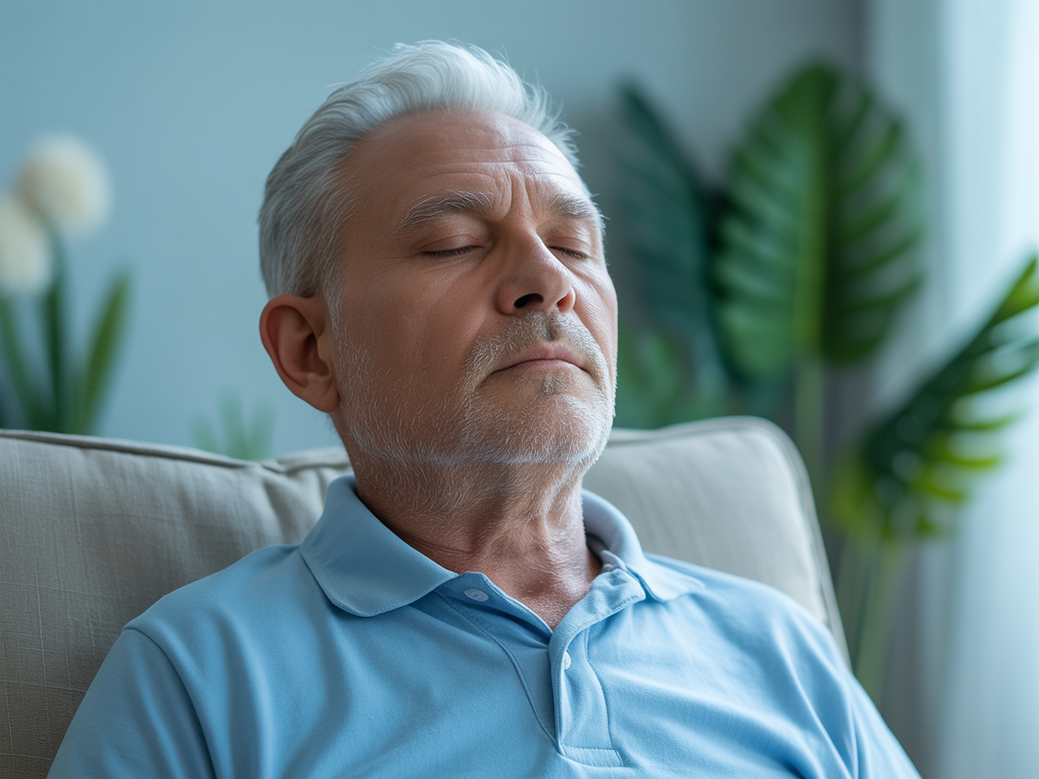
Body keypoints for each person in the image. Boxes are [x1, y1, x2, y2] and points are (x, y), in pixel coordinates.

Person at [47, 41, 919, 778]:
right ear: (311, 351)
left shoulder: (777, 649)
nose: (550, 281)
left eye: (575, 244)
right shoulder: (199, 677)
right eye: (453, 243)